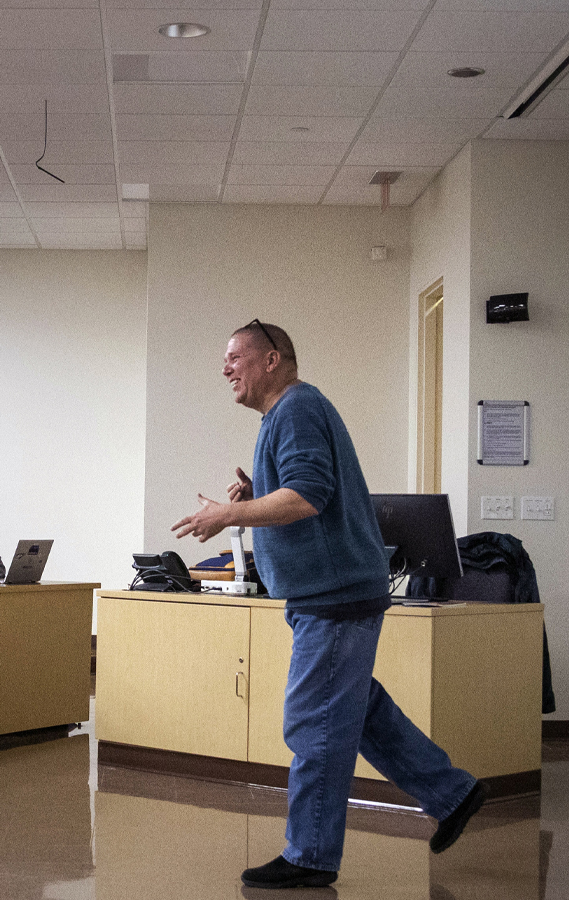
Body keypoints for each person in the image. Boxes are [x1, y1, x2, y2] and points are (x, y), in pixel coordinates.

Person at [172, 320, 483, 889]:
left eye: (235, 357)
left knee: (313, 721)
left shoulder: (295, 409)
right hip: (336, 591)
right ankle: (453, 792)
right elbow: (301, 490)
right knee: (357, 710)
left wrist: (227, 514)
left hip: (335, 596)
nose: (225, 369)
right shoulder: (286, 415)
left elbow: (308, 496)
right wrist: (253, 495)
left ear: (273, 360)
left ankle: (311, 854)